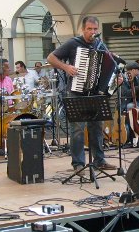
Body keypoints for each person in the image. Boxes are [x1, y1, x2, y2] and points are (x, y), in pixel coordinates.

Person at [46, 16, 117, 175]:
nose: (92, 32)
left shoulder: (100, 45)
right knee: (77, 128)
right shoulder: (73, 43)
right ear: (83, 29)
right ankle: (78, 164)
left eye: (95, 29)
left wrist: (114, 77)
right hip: (76, 91)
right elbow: (51, 57)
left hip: (95, 93)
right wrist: (66, 67)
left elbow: (108, 65)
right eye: (89, 29)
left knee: (96, 127)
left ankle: (99, 160)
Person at [117, 62, 139, 147]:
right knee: (132, 107)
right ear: (132, 70)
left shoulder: (137, 78)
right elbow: (126, 93)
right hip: (125, 103)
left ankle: (137, 135)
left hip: (135, 101)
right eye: (138, 70)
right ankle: (133, 135)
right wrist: (138, 88)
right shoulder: (123, 79)